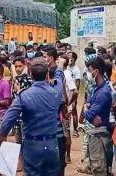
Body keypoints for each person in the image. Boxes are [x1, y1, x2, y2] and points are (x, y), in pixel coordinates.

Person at [0, 57, 66, 175]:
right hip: (52, 146)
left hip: (33, 147)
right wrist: (60, 66)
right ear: (46, 75)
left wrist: (3, 153)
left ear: (30, 74)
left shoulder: (24, 96)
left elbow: (4, 127)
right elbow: (59, 79)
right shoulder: (55, 93)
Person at [83, 56, 113, 175]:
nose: (88, 73)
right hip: (94, 132)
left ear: (96, 71)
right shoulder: (96, 88)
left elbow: (89, 114)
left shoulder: (103, 92)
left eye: (89, 70)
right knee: (96, 165)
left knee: (99, 168)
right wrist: (87, 106)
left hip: (100, 134)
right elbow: (89, 108)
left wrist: (86, 107)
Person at [42, 45, 68, 176]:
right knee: (57, 163)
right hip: (55, 130)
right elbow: (63, 102)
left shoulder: (49, 84)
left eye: (44, 56)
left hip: (48, 132)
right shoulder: (54, 86)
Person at [11, 56, 32, 172]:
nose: (18, 69)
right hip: (16, 117)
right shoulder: (14, 79)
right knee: (18, 141)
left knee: (26, 141)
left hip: (25, 117)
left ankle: (26, 164)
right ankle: (20, 163)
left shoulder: (28, 80)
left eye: (20, 66)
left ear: (24, 66)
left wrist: (19, 91)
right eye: (16, 66)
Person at [62, 54, 77, 164]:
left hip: (66, 110)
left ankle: (68, 156)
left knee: (66, 133)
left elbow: (75, 91)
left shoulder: (66, 75)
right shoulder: (62, 74)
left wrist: (69, 104)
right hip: (62, 109)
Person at [68, 51, 81, 138]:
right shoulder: (67, 68)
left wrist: (74, 95)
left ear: (73, 59)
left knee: (73, 110)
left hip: (72, 93)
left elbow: (78, 83)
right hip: (66, 92)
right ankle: (67, 128)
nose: (68, 58)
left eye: (70, 57)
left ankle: (75, 130)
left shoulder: (76, 70)